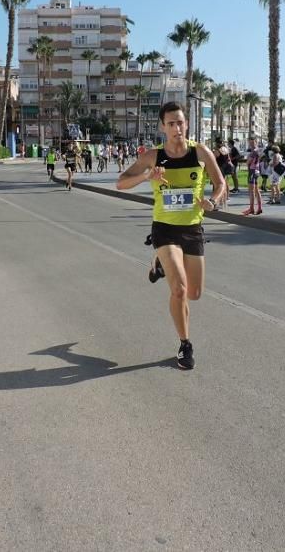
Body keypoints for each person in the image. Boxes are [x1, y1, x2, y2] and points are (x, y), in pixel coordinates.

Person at [117, 101, 225, 370]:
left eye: (180, 122)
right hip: (164, 228)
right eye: (171, 123)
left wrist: (212, 200)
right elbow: (121, 183)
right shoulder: (153, 156)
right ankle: (185, 344)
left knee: (196, 293)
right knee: (179, 289)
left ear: (186, 123)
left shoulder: (200, 152)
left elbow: (220, 182)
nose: (177, 128)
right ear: (162, 127)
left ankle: (157, 264)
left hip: (192, 228)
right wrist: (145, 176)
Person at [243, 137, 263, 215]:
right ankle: (260, 207)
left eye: (252, 143)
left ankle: (251, 208)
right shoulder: (257, 150)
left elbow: (248, 162)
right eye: (250, 143)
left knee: (251, 191)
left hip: (252, 171)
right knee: (256, 190)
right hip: (257, 171)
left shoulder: (254, 152)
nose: (251, 144)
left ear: (256, 142)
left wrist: (247, 160)